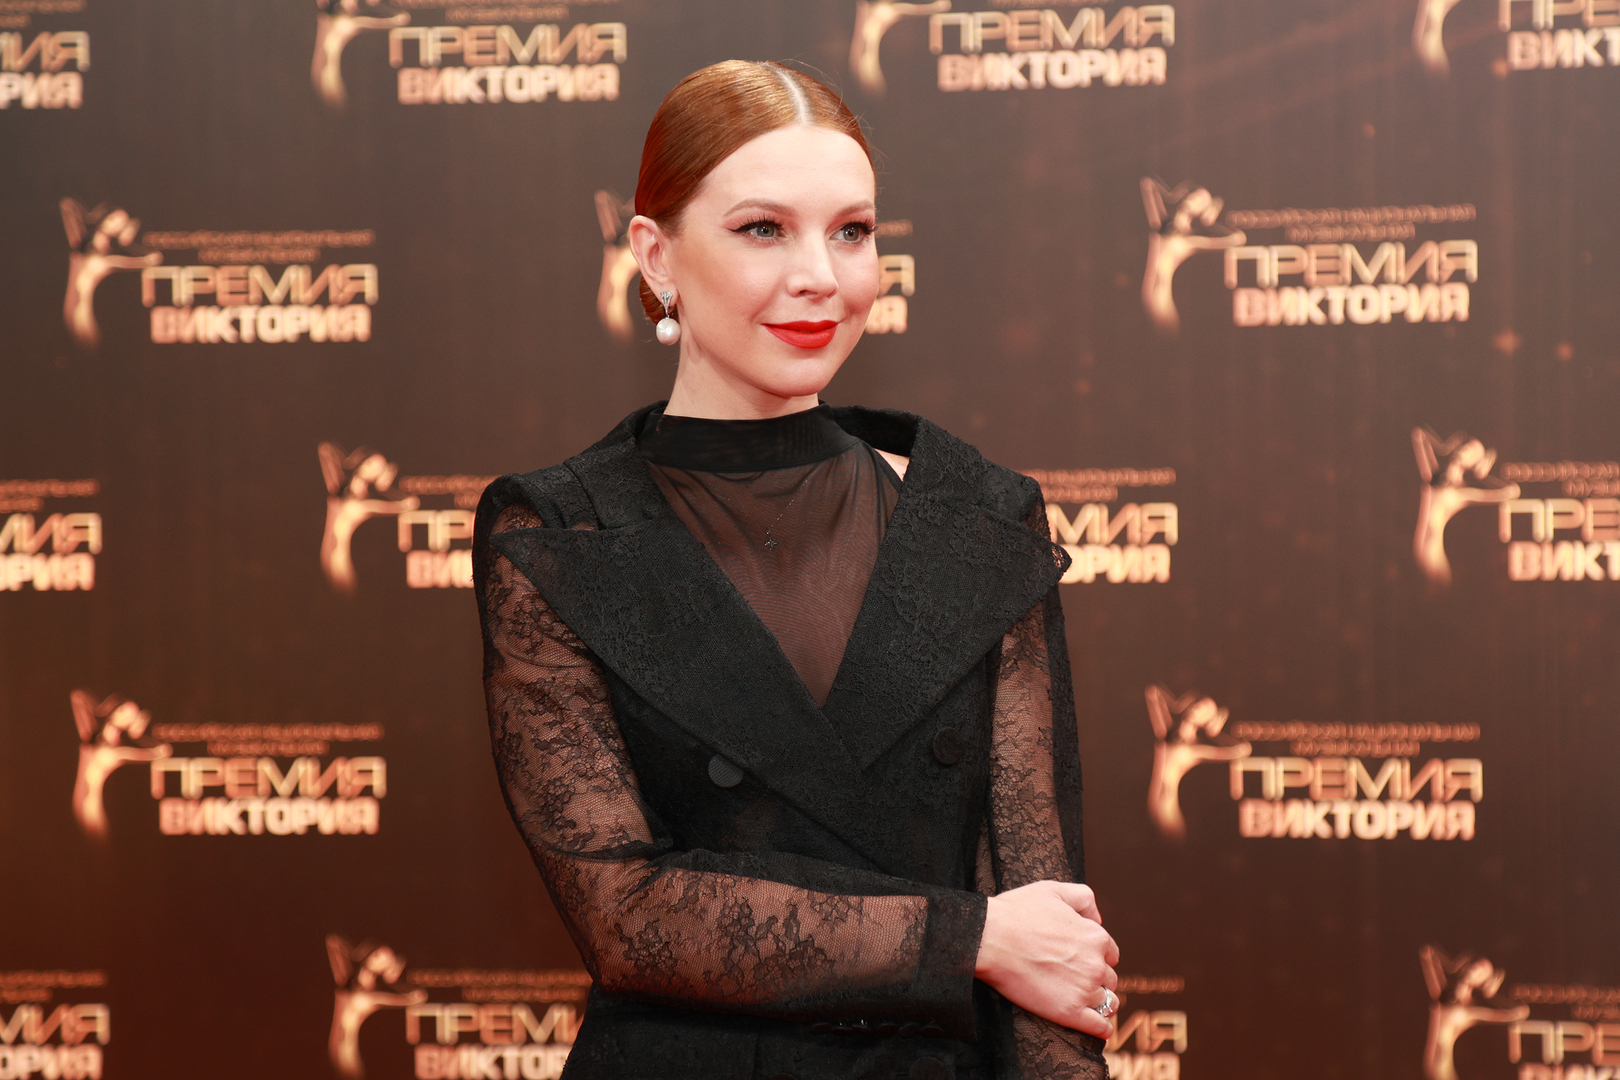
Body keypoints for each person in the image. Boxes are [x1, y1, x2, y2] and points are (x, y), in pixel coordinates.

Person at [474, 60, 1117, 1080]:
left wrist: (1018, 955)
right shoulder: (562, 531)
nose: (821, 274)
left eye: (852, 231)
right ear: (656, 255)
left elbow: (1051, 934)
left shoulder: (978, 516)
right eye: (763, 229)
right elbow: (628, 916)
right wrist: (971, 941)